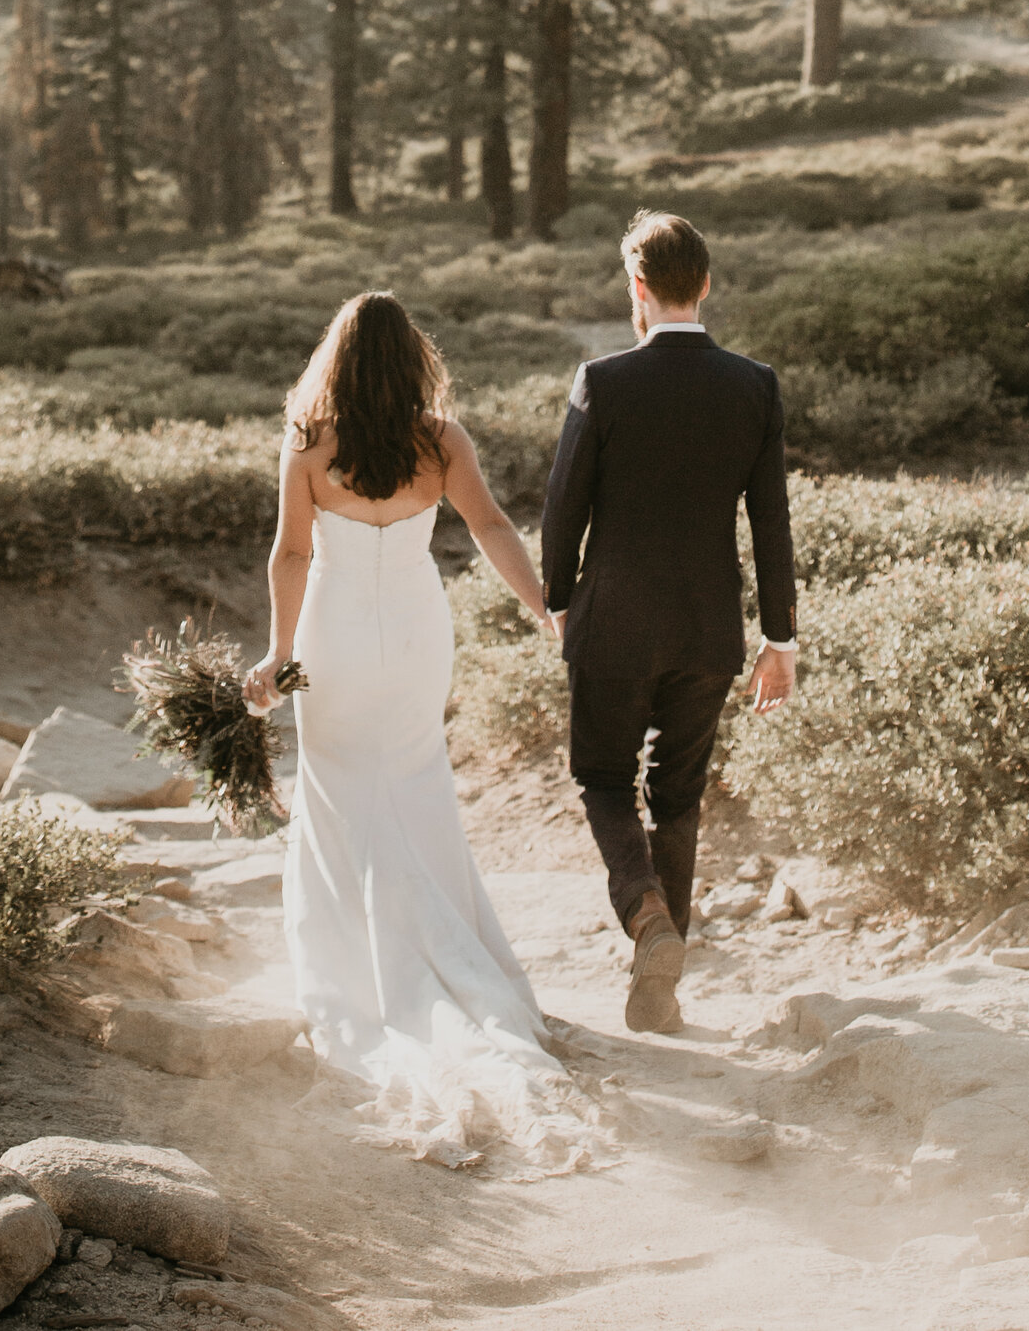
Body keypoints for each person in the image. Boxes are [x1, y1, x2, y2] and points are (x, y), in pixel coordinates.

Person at [243, 291, 588, 1166]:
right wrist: (546, 606)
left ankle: (359, 972)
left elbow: (290, 553)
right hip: (417, 633)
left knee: (339, 796)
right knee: (416, 782)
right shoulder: (442, 440)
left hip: (335, 638)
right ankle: (449, 957)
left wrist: (279, 656)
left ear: (336, 361)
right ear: (413, 360)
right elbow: (491, 526)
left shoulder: (310, 446)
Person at [541, 209, 797, 1035]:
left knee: (604, 779)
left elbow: (562, 507)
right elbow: (771, 522)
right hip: (707, 628)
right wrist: (780, 639)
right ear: (708, 284)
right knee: (677, 794)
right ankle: (659, 994)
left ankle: (647, 915)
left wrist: (557, 599)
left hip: (612, 618)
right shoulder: (754, 384)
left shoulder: (603, 380)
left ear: (638, 289)